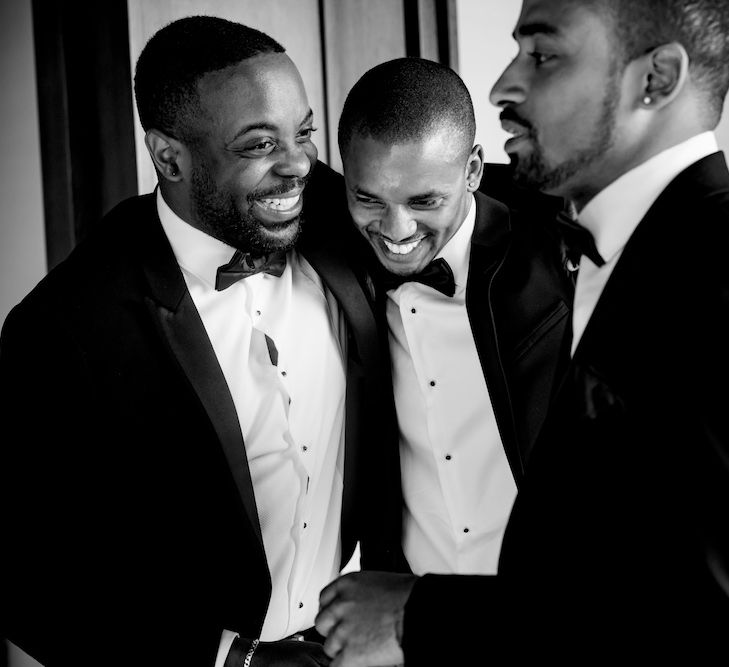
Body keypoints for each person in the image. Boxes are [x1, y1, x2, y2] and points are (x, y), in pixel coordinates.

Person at [315, 0, 729, 663]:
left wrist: (416, 616)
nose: (503, 84)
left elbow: (690, 608)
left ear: (654, 79)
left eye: (541, 55)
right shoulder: (618, 244)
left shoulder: (709, 271)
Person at [0, 16, 399, 667]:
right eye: (258, 144)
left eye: (303, 131)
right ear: (169, 157)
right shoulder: (67, 327)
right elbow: (27, 580)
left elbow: (448, 186)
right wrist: (230, 658)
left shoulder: (336, 211)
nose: (297, 163)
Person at [333, 57, 571, 583]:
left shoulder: (557, 244)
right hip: (409, 620)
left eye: (424, 201)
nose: (396, 230)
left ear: (472, 170)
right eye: (368, 198)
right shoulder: (333, 258)